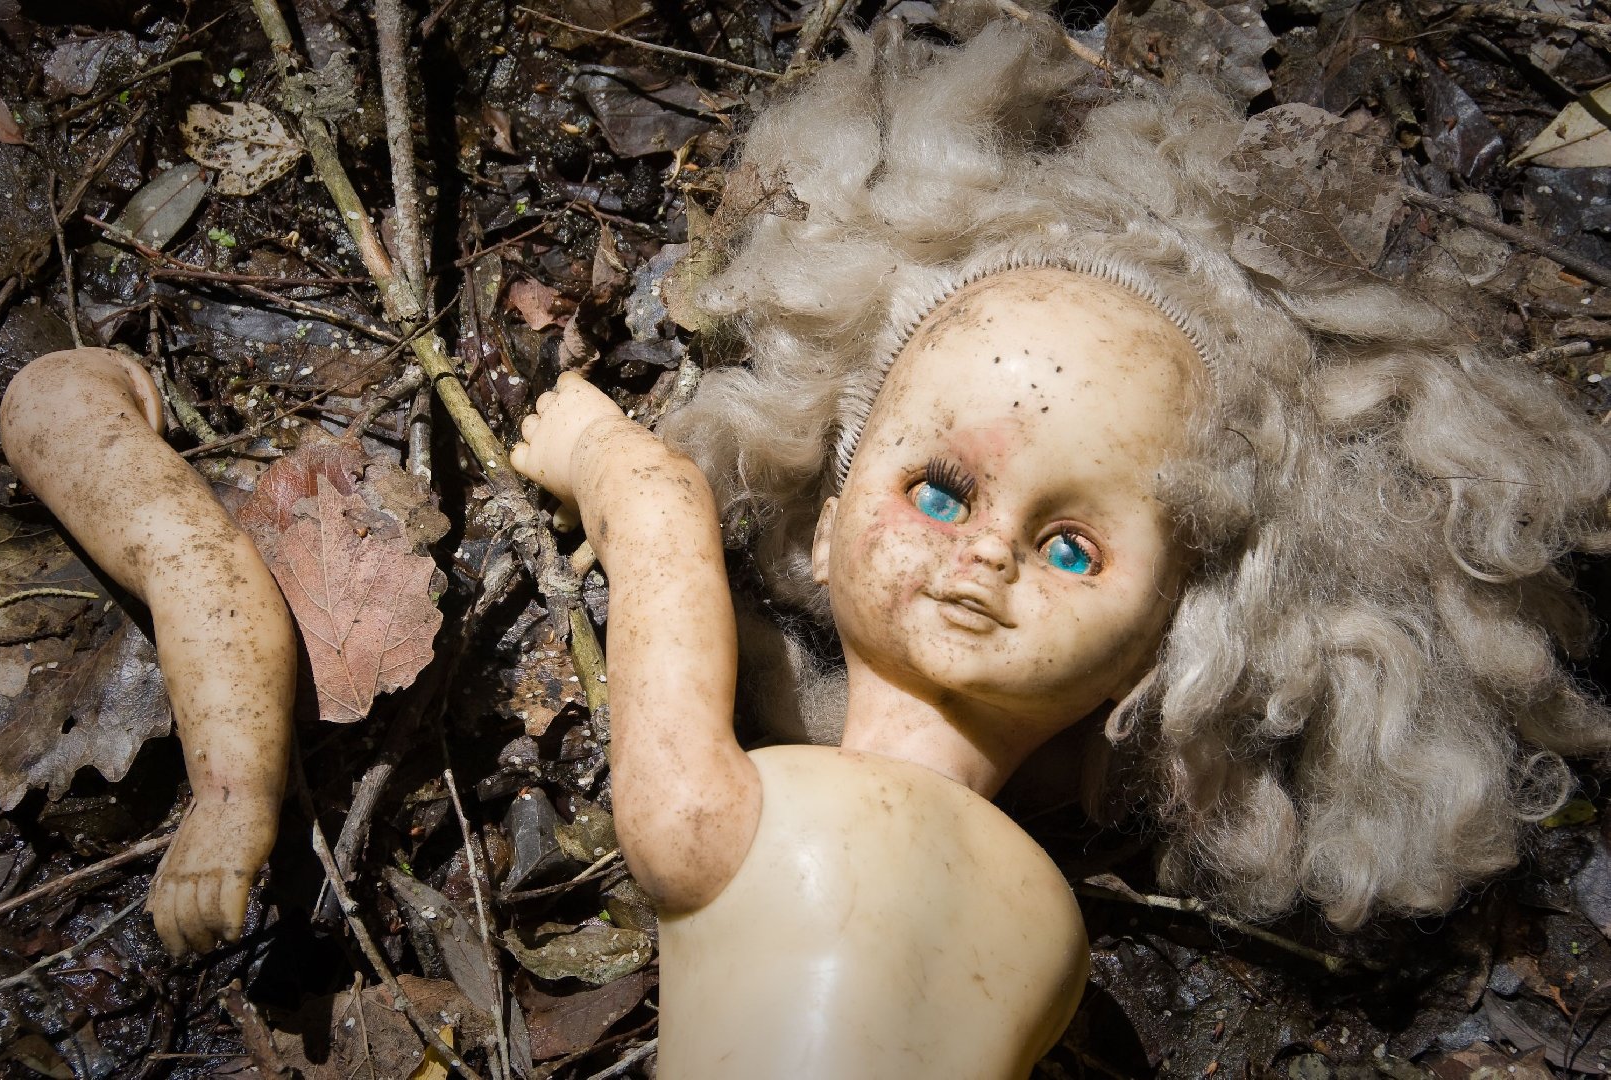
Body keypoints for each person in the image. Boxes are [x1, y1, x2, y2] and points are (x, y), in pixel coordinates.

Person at [515, 11, 1611, 1076]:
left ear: (1162, 654)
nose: (991, 551)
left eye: (1074, 549)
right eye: (940, 492)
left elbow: (661, 528)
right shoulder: (1046, 942)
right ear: (829, 518)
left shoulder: (736, 820)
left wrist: (608, 456)